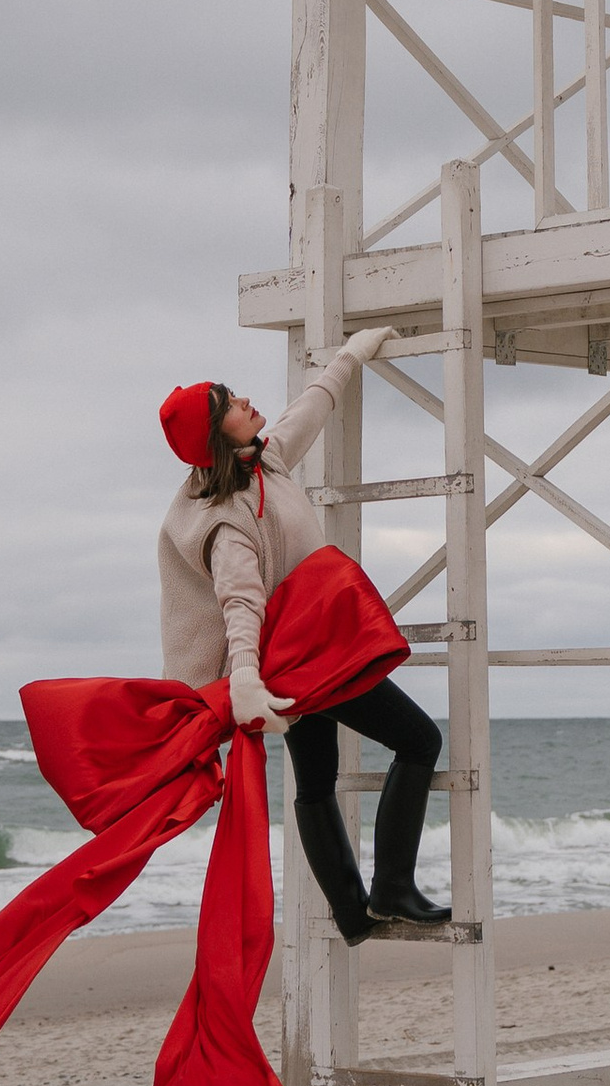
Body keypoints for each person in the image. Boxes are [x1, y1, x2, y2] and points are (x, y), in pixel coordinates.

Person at [157, 338, 451, 943]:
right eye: (230, 403)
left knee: (316, 779)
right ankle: (392, 887)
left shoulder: (263, 460)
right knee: (420, 740)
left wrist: (351, 355)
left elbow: (307, 410)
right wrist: (243, 678)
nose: (244, 398)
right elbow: (239, 602)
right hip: (298, 660)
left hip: (302, 653)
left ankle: (352, 910)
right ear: (219, 434)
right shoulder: (227, 518)